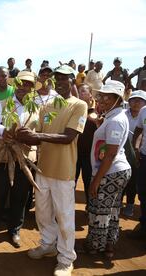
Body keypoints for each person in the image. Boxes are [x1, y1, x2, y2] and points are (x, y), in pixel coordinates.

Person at [16, 64, 87, 276]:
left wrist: (36, 136)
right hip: (43, 168)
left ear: (73, 81)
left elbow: (68, 137)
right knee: (43, 213)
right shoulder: (47, 106)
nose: (61, 82)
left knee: (64, 217)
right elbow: (39, 132)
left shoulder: (79, 105)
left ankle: (66, 259)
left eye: (66, 78)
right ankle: (48, 244)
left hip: (64, 171)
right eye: (58, 78)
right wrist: (22, 132)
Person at [0, 71, 39, 247]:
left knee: (20, 197)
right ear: (16, 85)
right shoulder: (2, 104)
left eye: (28, 85)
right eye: (21, 84)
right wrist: (3, 132)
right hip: (3, 156)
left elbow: (41, 129)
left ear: (31, 88)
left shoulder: (36, 108)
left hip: (25, 158)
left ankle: (15, 230)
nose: (23, 88)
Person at [83, 81, 131, 258]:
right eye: (101, 96)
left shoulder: (116, 120)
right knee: (112, 209)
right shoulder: (112, 117)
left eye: (107, 97)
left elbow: (110, 154)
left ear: (117, 99)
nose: (101, 99)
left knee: (99, 210)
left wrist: (96, 180)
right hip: (114, 171)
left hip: (110, 171)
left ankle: (95, 246)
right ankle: (109, 245)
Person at [121, 90, 146, 216]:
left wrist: (136, 149)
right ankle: (118, 202)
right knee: (119, 177)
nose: (136, 103)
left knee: (133, 179)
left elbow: (140, 134)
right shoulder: (122, 114)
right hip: (121, 151)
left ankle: (130, 204)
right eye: (133, 100)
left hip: (136, 154)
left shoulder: (143, 114)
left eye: (139, 100)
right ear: (129, 102)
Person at [75, 84, 97, 204]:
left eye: (83, 91)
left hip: (90, 155)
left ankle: (90, 207)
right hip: (74, 153)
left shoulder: (97, 112)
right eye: (79, 91)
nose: (80, 93)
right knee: (71, 181)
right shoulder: (74, 109)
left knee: (89, 181)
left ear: (90, 95)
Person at [130, 89, 146, 240]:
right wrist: (136, 146)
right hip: (144, 157)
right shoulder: (144, 111)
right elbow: (139, 129)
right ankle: (144, 225)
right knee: (142, 192)